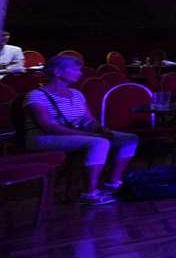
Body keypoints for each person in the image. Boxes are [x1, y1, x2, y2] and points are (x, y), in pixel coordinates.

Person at [26, 54, 139, 205]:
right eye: (74, 70)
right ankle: (90, 193)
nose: (79, 73)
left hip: (74, 133)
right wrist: (89, 134)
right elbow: (49, 126)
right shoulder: (37, 95)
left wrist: (102, 130)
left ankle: (113, 183)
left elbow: (89, 120)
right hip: (42, 137)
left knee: (129, 139)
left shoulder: (77, 94)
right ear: (57, 72)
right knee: (99, 143)